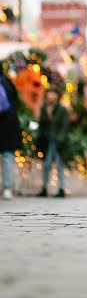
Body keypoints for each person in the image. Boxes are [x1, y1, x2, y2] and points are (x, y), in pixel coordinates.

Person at [36, 86, 70, 198]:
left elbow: (65, 126)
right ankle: (44, 188)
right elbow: (42, 124)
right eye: (49, 92)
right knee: (46, 164)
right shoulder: (44, 108)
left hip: (59, 142)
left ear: (57, 95)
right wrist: (39, 137)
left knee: (60, 164)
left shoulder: (62, 109)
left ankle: (62, 189)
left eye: (52, 92)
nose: (50, 95)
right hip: (48, 140)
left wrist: (60, 139)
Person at [0, 61, 22, 200]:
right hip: (8, 125)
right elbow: (15, 102)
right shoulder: (8, 82)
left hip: (6, 125)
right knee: (8, 157)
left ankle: (7, 187)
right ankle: (7, 188)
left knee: (7, 156)